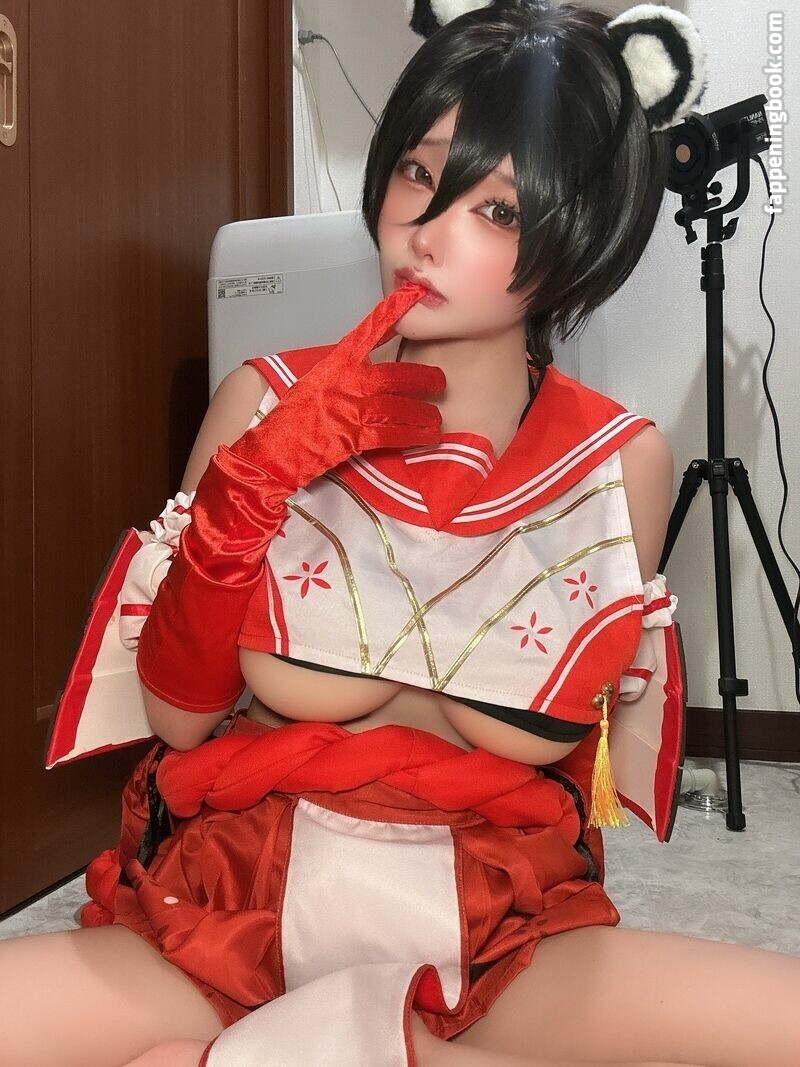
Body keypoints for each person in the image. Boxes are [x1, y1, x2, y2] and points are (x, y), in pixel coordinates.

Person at [3, 3, 799, 1066]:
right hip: (231, 919)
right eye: (419, 173)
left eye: (499, 208)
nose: (427, 229)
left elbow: (576, 769)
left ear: (578, 240)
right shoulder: (261, 400)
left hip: (494, 941)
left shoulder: (620, 463)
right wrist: (250, 487)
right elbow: (179, 721)